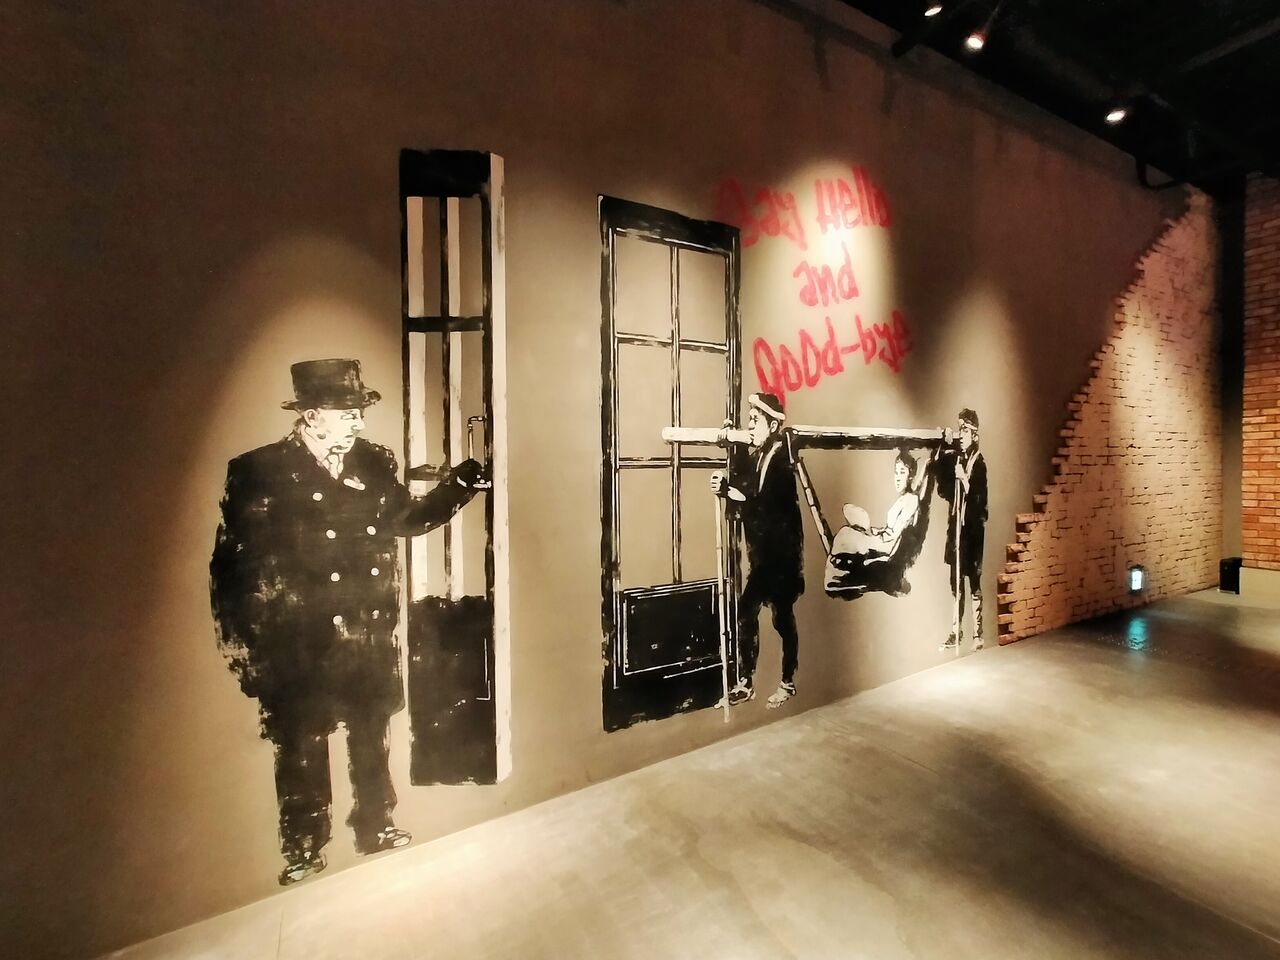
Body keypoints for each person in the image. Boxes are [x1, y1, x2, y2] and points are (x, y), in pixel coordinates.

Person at [209, 358, 483, 885]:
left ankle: (376, 826)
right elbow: (232, 566)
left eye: (360, 410)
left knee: (370, 736)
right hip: (297, 642)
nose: (358, 420)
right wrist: (243, 652)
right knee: (300, 744)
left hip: (366, 635)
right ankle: (304, 846)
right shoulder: (258, 470)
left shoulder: (373, 461)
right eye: (346, 411)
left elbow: (406, 520)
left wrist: (460, 485)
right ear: (310, 414)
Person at [710, 392, 805, 709]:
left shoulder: (780, 460)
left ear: (773, 425)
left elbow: (757, 499)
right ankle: (746, 682)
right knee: (746, 612)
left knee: (782, 619)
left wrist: (728, 491)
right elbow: (744, 477)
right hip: (764, 559)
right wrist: (734, 445)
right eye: (749, 420)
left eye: (755, 420)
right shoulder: (760, 455)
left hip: (783, 558)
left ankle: (787, 682)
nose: (750, 426)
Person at [825, 450, 921, 594]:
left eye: (902, 472)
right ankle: (842, 562)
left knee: (845, 534)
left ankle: (840, 566)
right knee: (848, 520)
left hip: (886, 545)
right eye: (896, 473)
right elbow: (890, 529)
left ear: (910, 476)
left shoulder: (911, 500)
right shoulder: (903, 499)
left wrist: (874, 536)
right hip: (882, 538)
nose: (897, 478)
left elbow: (897, 534)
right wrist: (875, 532)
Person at [937, 408, 988, 651]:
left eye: (965, 430)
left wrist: (964, 480)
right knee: (955, 583)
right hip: (956, 532)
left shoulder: (979, 464)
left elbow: (980, 502)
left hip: (972, 535)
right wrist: (944, 448)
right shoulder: (957, 459)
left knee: (973, 582)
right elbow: (944, 490)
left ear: (974, 435)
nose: (961, 435)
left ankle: (978, 633)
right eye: (960, 430)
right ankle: (956, 631)